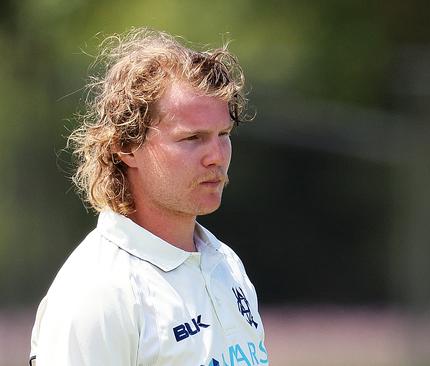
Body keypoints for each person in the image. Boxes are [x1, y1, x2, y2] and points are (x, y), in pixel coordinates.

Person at [29, 28, 268, 366]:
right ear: (126, 146)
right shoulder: (98, 291)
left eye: (223, 134)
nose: (217, 156)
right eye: (193, 138)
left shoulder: (225, 264)